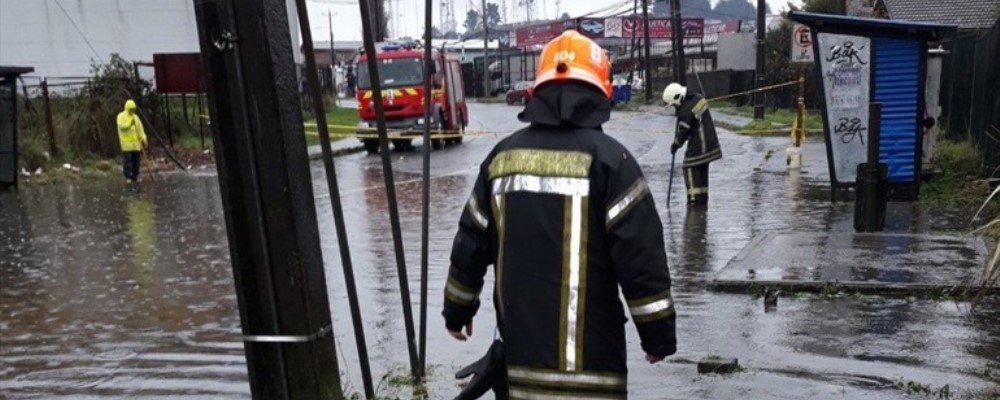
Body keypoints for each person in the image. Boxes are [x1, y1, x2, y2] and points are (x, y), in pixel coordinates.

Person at [443, 30, 677, 399]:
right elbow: (641, 258)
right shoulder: (613, 163)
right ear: (601, 93)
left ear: (538, 91)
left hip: (520, 378)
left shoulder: (500, 161)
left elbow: (471, 242)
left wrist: (457, 310)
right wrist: (657, 335)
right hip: (594, 381)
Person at [662, 83, 722, 206]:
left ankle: (694, 202)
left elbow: (683, 132)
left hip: (700, 145)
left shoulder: (685, 110)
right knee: (701, 169)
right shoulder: (697, 98)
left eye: (674, 105)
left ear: (678, 98)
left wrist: (675, 145)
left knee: (689, 166)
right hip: (710, 145)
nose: (674, 107)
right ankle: (702, 203)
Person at [116, 99, 147, 183]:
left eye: (133, 109)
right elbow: (122, 127)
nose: (132, 111)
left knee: (136, 160)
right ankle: (128, 176)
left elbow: (140, 129)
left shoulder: (136, 117)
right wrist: (130, 124)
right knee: (128, 161)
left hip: (136, 144)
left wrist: (144, 139)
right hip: (126, 144)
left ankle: (135, 175)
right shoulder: (121, 116)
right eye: (131, 109)